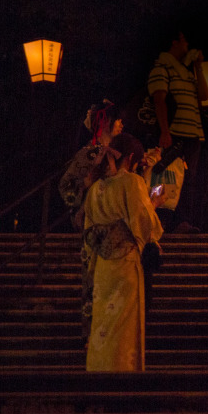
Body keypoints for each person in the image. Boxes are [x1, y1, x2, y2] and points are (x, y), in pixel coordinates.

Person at [83, 133, 164, 372]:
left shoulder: (95, 188)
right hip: (125, 262)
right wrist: (154, 205)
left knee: (103, 322)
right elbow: (144, 222)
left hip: (102, 265)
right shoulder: (131, 182)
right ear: (130, 158)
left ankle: (98, 367)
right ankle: (121, 370)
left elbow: (88, 230)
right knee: (124, 324)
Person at [59, 99, 125, 341]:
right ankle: (91, 336)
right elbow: (66, 184)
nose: (121, 124)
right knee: (93, 279)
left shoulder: (117, 154)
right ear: (106, 122)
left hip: (116, 226)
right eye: (117, 119)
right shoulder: (90, 153)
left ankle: (109, 337)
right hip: (93, 224)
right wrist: (80, 204)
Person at [147, 29, 208, 232]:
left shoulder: (186, 71)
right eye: (184, 41)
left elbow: (204, 95)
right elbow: (159, 99)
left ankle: (182, 220)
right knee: (162, 176)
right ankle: (156, 215)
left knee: (188, 180)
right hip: (174, 132)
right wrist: (165, 131)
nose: (187, 46)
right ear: (174, 42)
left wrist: (198, 67)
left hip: (193, 133)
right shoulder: (162, 66)